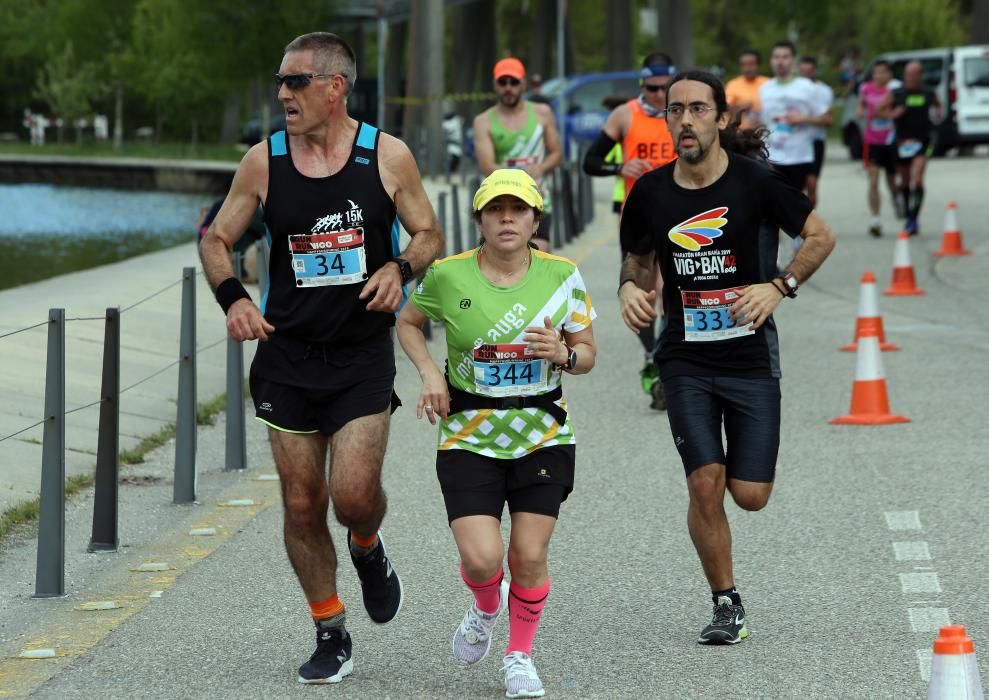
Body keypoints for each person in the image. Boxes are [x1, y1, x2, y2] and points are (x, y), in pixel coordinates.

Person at [198, 32, 444, 685]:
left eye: (295, 82)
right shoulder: (264, 162)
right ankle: (330, 629)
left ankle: (367, 546)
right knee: (302, 504)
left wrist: (399, 267)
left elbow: (429, 232)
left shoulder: (385, 157)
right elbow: (216, 239)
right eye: (281, 82)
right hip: (286, 355)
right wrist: (233, 299)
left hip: (360, 353)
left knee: (353, 497)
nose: (282, 94)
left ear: (335, 87)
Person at [618, 69, 835, 645]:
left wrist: (779, 287)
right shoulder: (650, 193)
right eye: (675, 110)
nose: (684, 119)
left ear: (719, 118)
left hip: (749, 359)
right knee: (704, 482)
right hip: (684, 358)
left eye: (696, 109)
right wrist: (628, 289)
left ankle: (734, 523)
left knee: (750, 495)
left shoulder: (757, 184)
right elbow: (637, 261)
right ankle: (726, 601)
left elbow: (820, 236)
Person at [396, 169, 596, 699]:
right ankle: (487, 607)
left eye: (518, 210)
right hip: (468, 433)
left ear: (535, 220)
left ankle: (519, 655)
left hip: (543, 434)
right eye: (495, 210)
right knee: (484, 559)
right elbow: (407, 321)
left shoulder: (562, 277)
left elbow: (588, 353)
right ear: (480, 219)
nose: (507, 219)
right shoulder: (447, 275)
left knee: (528, 555)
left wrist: (565, 355)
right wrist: (431, 373)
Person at [582, 51, 678, 411]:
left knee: (670, 290)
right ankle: (655, 355)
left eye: (664, 88)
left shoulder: (682, 114)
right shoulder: (625, 115)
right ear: (642, 85)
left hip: (679, 216)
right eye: (652, 88)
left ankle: (669, 359)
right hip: (637, 216)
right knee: (640, 294)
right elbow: (590, 162)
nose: (658, 95)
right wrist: (622, 165)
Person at [473, 58, 562, 252]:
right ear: (495, 85)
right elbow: (487, 165)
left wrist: (542, 167)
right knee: (502, 259)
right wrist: (522, 179)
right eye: (502, 82)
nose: (508, 88)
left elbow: (556, 153)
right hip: (500, 200)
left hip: (538, 198)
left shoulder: (542, 113)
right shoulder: (483, 121)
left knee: (540, 254)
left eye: (513, 82)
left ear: (523, 83)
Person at [759, 41, 829, 196]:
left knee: (796, 202)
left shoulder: (806, 87)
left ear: (793, 61)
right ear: (771, 61)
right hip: (773, 156)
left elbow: (827, 119)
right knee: (775, 202)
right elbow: (762, 121)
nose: (780, 61)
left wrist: (804, 118)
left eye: (785, 57)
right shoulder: (764, 89)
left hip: (799, 156)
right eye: (776, 57)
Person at [891, 60, 941, 235]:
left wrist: (937, 113)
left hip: (922, 141)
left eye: (913, 75)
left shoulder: (928, 92)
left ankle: (913, 218)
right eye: (907, 75)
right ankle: (906, 211)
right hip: (902, 142)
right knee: (904, 182)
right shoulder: (896, 93)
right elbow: (877, 112)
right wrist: (892, 114)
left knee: (917, 179)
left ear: (920, 76)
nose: (909, 78)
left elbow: (938, 105)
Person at [857, 60, 898, 237]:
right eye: (875, 73)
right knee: (873, 180)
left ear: (889, 74)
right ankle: (876, 219)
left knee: (891, 182)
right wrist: (860, 110)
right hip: (871, 140)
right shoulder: (865, 88)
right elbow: (862, 105)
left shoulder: (896, 89)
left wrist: (885, 112)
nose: (878, 76)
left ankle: (896, 199)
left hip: (891, 140)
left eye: (882, 72)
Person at [797, 56, 834, 209]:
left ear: (814, 72)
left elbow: (829, 120)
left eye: (808, 72)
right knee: (795, 187)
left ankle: (810, 220)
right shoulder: (792, 89)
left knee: (812, 184)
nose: (805, 75)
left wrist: (804, 119)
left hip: (815, 141)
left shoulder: (824, 91)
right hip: (796, 142)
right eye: (802, 72)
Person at [725, 49, 770, 130]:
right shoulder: (732, 85)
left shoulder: (768, 83)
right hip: (742, 135)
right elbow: (725, 109)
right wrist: (740, 107)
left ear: (758, 65)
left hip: (768, 132)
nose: (747, 68)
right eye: (743, 65)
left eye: (751, 64)